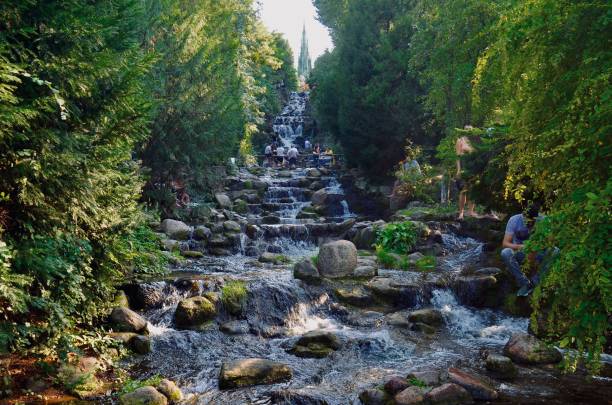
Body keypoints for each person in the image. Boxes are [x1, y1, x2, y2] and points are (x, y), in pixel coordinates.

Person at [500, 203, 557, 297]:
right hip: (521, 252)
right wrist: (520, 247)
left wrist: (535, 248)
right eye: (526, 220)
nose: (528, 223)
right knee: (505, 253)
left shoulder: (544, 220)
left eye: (531, 221)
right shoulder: (514, 220)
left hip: (538, 252)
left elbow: (550, 242)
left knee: (555, 251)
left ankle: (535, 282)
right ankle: (525, 283)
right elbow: (505, 243)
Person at [455, 127, 479, 219]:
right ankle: (461, 213)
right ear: (464, 130)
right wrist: (459, 170)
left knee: (472, 189)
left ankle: (471, 212)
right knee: (463, 190)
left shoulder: (473, 141)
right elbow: (458, 157)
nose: (469, 131)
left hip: (472, 167)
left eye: (471, 129)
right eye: (467, 129)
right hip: (464, 166)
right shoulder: (460, 140)